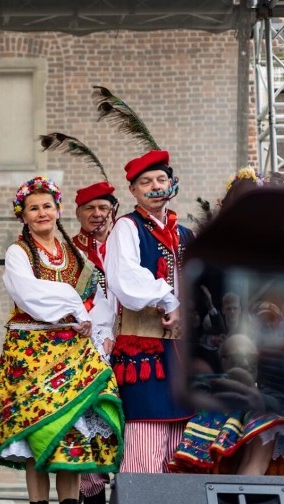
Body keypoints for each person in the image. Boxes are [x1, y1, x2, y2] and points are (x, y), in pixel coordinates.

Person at [0, 176, 123, 504]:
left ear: (57, 210)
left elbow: (98, 300)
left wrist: (90, 322)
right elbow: (29, 295)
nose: (42, 213)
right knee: (36, 448)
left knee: (69, 449)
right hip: (30, 357)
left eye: (47, 206)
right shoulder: (19, 253)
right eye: (34, 208)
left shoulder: (76, 258)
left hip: (72, 356)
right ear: (24, 215)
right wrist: (72, 308)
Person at [104, 149, 194, 474]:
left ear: (171, 183)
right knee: (146, 440)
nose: (155, 186)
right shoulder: (126, 228)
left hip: (181, 352)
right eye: (146, 182)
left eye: (161, 179)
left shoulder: (184, 234)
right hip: (146, 351)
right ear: (133, 190)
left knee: (180, 447)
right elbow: (124, 278)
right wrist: (169, 300)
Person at [72, 180, 119, 504]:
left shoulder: (125, 246)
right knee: (92, 436)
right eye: (90, 208)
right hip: (84, 351)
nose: (97, 215)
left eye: (104, 207)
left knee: (127, 435)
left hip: (130, 347)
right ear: (78, 214)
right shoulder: (70, 253)